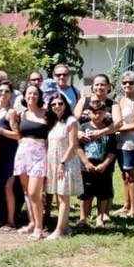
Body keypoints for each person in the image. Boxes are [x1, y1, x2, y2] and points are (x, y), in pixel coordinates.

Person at [74, 74, 122, 222]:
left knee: (106, 180)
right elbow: (73, 120)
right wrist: (79, 132)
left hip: (106, 147)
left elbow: (119, 123)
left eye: (103, 84)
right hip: (85, 148)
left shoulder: (112, 104)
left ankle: (104, 214)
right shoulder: (84, 101)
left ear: (108, 87)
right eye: (97, 84)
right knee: (86, 182)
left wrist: (101, 133)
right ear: (92, 87)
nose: (99, 87)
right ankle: (85, 215)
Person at [45, 92, 83, 239]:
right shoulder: (55, 122)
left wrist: (62, 163)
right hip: (54, 163)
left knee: (63, 198)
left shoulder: (71, 121)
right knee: (58, 196)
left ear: (66, 104)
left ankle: (59, 231)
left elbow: (73, 145)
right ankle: (65, 227)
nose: (57, 106)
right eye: (53, 104)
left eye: (60, 103)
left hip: (65, 163)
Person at [13, 85, 49, 240]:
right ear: (24, 96)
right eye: (29, 93)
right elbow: (17, 134)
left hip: (40, 154)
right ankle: (32, 222)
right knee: (27, 191)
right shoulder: (22, 114)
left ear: (39, 96)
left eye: (35, 93)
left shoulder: (47, 114)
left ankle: (39, 228)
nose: (32, 96)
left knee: (35, 192)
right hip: (23, 154)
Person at [76, 100, 117, 228]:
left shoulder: (108, 130)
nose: (97, 115)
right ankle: (83, 218)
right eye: (94, 113)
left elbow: (112, 150)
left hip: (103, 168)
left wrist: (105, 164)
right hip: (86, 167)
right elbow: (78, 147)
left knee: (102, 194)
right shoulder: (83, 127)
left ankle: (100, 218)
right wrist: (86, 162)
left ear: (105, 113)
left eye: (100, 113)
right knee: (85, 194)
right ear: (89, 113)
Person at [0, 80, 22, 230]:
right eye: (0, 91)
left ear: (11, 94)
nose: (3, 94)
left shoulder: (11, 112)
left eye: (6, 91)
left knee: (9, 187)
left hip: (10, 153)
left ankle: (11, 220)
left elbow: (17, 135)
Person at [114, 71, 134, 219]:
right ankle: (126, 205)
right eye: (125, 82)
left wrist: (118, 129)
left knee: (131, 174)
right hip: (118, 142)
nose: (127, 85)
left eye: (131, 82)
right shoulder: (119, 99)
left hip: (131, 142)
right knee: (123, 174)